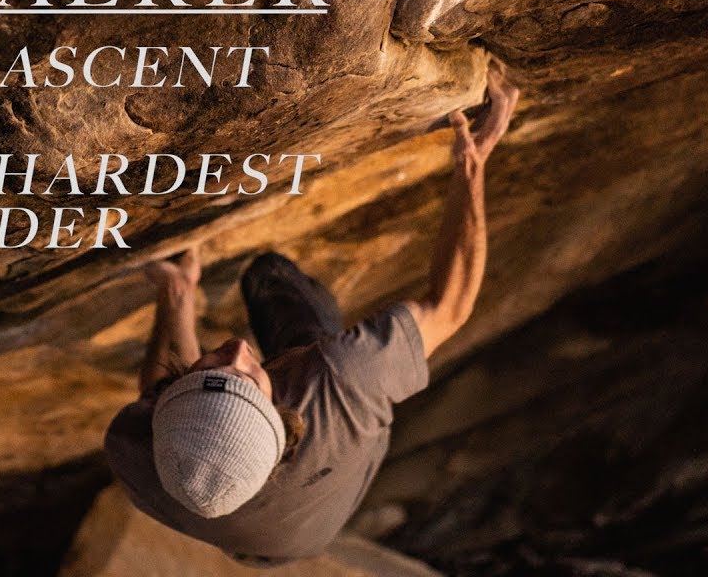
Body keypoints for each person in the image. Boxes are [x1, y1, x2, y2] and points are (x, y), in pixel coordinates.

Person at [104, 59, 520, 564]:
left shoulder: (135, 454)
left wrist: (177, 296)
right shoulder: (340, 383)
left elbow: (160, 392)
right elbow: (449, 307)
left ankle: (190, 300)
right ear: (282, 417)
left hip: (271, 543)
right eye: (250, 378)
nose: (237, 350)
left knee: (206, 366)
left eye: (213, 370)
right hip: (300, 530)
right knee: (271, 279)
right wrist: (472, 164)